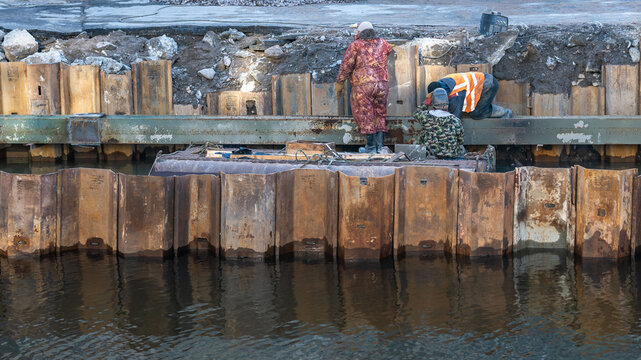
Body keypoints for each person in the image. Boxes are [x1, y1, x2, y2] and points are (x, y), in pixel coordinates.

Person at [335, 21, 393, 153]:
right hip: (382, 85)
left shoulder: (356, 45)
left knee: (366, 115)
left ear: (359, 32)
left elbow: (346, 66)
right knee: (380, 114)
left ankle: (371, 148)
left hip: (363, 85)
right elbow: (389, 50)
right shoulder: (383, 43)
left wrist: (340, 82)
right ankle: (380, 148)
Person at [425, 72, 513, 119]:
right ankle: (486, 107)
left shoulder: (456, 94)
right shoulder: (443, 83)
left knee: (477, 113)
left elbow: (455, 118)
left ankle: (505, 113)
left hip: (487, 84)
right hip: (481, 81)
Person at [415, 88, 466, 159]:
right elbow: (461, 140)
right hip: (451, 157)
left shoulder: (425, 116)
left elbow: (417, 113)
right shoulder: (455, 120)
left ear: (432, 104)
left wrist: (426, 102)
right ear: (447, 104)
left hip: (430, 157)